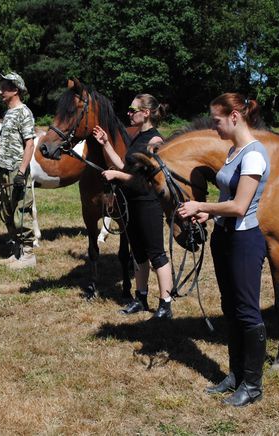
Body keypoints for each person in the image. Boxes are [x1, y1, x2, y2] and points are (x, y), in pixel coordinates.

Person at [177, 93, 270, 407]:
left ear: (234, 117)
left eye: (216, 121)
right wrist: (211, 213)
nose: (213, 126)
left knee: (246, 310)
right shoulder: (234, 151)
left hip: (244, 241)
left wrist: (200, 205)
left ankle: (253, 385)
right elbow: (228, 200)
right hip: (225, 238)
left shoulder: (254, 155)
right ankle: (235, 375)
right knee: (230, 309)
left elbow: (241, 205)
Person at [92, 94, 174, 319]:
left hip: (148, 204)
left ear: (145, 113)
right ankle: (140, 298)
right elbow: (123, 166)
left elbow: (147, 180)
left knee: (156, 254)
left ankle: (165, 304)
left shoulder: (154, 142)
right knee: (137, 254)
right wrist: (106, 144)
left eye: (132, 109)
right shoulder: (137, 138)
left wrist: (116, 175)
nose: (128, 113)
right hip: (131, 203)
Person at [0, 72, 37, 269]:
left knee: (21, 211)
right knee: (7, 211)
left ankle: (28, 255)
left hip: (17, 169)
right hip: (4, 169)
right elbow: (3, 142)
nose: (0, 91)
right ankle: (17, 252)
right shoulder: (8, 114)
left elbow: (29, 144)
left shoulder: (24, 112)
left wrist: (22, 172)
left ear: (15, 90)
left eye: (4, 88)